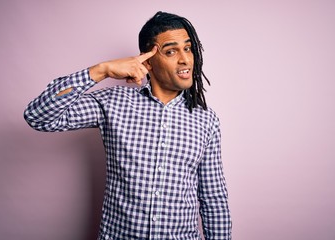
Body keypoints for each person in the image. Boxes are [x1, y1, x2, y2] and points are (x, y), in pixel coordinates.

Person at [24, 11, 232, 240]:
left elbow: (213, 198)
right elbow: (39, 116)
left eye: (188, 48)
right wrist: (101, 70)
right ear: (148, 61)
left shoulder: (206, 119)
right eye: (171, 51)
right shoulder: (113, 103)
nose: (185, 59)